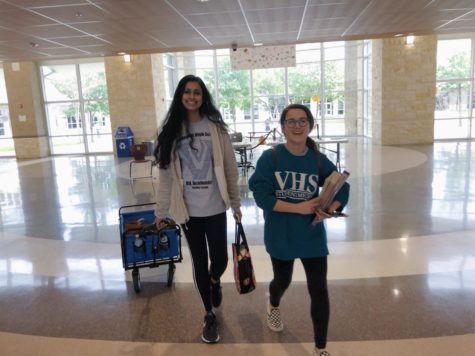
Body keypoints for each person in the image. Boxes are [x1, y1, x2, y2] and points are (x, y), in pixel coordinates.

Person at [248, 103, 349, 356]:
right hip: (281, 234)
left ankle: (320, 348)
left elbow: (342, 186)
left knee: (319, 288)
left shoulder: (317, 159)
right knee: (283, 280)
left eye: (302, 120)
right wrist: (300, 207)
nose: (297, 125)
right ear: (282, 127)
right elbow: (261, 196)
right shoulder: (270, 158)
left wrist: (330, 207)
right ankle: (273, 304)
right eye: (291, 121)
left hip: (312, 235)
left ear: (310, 125)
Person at [153, 74, 242, 344]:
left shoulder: (216, 128)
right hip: (188, 212)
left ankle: (215, 280)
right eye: (187, 92)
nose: (192, 97)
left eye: (197, 92)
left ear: (203, 97)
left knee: (221, 259)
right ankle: (208, 314)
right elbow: (166, 176)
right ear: (180, 96)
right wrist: (160, 212)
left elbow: (229, 169)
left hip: (215, 207)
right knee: (199, 263)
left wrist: (236, 205)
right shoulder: (170, 131)